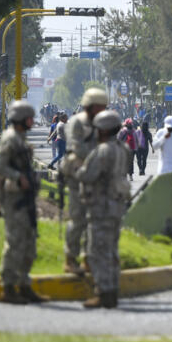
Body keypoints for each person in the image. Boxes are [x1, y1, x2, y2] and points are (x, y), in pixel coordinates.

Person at [0, 101, 48, 304]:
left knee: (29, 243)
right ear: (21, 120)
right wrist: (17, 177)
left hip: (25, 199)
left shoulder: (20, 139)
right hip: (14, 199)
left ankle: (24, 285)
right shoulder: (10, 139)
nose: (33, 121)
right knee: (15, 242)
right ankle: (8, 288)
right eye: (30, 118)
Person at [76, 110, 131, 309]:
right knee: (111, 250)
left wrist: (78, 169)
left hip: (101, 207)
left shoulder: (102, 151)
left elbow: (88, 175)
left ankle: (103, 291)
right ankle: (112, 291)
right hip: (116, 205)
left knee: (97, 251)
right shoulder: (122, 148)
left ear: (104, 130)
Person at [61, 88, 109, 276]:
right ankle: (70, 259)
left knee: (94, 220)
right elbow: (78, 148)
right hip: (77, 177)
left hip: (95, 177)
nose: (102, 111)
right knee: (78, 219)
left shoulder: (100, 124)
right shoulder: (77, 123)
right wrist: (100, 158)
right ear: (90, 107)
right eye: (99, 107)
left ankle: (89, 258)